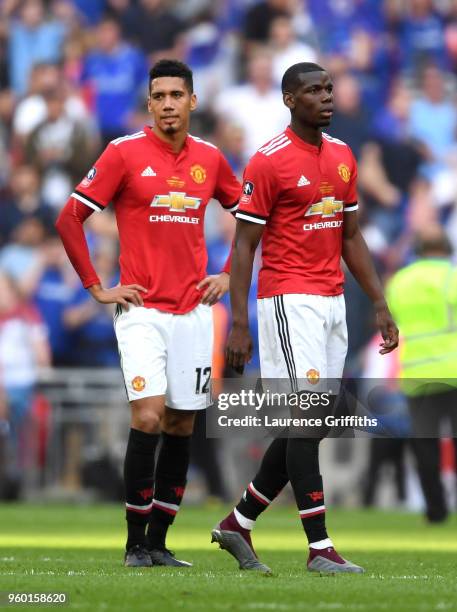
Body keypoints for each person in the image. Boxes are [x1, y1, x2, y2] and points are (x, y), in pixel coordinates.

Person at [212, 62, 399, 574]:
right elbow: (245, 243)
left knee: (313, 421)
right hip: (287, 300)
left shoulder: (342, 155)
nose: (327, 97)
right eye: (314, 90)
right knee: (305, 418)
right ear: (290, 100)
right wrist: (240, 320)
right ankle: (319, 547)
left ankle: (239, 521)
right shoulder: (268, 161)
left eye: (329, 88)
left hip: (333, 301)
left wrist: (379, 304)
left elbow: (351, 235)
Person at [55, 59, 240, 567]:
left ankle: (158, 542)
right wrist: (97, 287)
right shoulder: (123, 153)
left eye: (176, 95)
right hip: (140, 309)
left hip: (194, 312)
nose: (167, 105)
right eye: (158, 96)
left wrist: (226, 273)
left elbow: (249, 216)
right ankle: (134, 543)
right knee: (149, 415)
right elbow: (70, 218)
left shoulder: (211, 159)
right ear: (149, 103)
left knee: (182, 425)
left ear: (192, 101)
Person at [386, 225, 457, 523]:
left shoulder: (399, 282)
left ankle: (435, 510)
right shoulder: (450, 277)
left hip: (416, 374)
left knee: (425, 443)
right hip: (452, 370)